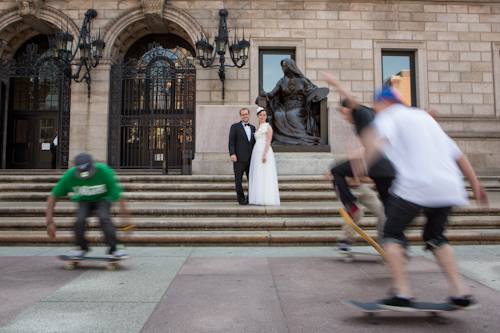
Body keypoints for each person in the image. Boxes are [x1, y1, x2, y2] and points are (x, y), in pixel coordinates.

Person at [355, 86, 488, 310]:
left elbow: (374, 139)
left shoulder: (390, 114)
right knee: (435, 236)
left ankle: (403, 293)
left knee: (392, 233)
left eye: (376, 106)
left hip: (417, 185)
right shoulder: (424, 118)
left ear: (384, 103)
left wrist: (363, 164)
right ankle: (460, 292)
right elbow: (458, 154)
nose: (376, 111)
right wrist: (476, 184)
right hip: (449, 186)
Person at [322, 72, 395, 250]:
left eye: (343, 113)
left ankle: (351, 205)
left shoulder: (360, 112)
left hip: (374, 163)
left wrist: (335, 83)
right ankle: (392, 241)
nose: (344, 117)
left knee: (336, 170)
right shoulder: (375, 115)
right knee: (388, 206)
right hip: (388, 167)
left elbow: (351, 99)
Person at [46, 152, 129, 258]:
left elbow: (120, 198)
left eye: (89, 174)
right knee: (79, 220)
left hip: (104, 198)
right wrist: (49, 222)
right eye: (83, 175)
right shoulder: (70, 176)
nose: (86, 178)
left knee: (103, 216)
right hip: (84, 199)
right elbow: (52, 197)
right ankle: (80, 247)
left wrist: (126, 221)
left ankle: (116, 247)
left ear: (93, 166)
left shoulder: (105, 172)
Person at [259, 58, 326, 146]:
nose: (283, 69)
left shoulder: (302, 81)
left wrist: (316, 96)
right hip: (285, 106)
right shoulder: (281, 81)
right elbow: (272, 94)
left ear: (290, 67)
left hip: (300, 107)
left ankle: (303, 138)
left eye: (284, 66)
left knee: (291, 114)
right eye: (282, 67)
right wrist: (264, 94)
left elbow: (313, 91)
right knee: (278, 114)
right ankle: (284, 140)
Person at [336, 177, 385, 250]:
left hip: (361, 188)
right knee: (355, 213)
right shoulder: (342, 166)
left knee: (382, 212)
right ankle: (344, 240)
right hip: (346, 190)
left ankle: (384, 240)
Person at [248, 107, 280, 206]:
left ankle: (266, 198)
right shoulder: (257, 127)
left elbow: (268, 141)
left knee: (265, 173)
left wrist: (264, 154)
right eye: (260, 115)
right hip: (256, 151)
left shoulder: (268, 127)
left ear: (266, 116)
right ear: (258, 116)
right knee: (258, 173)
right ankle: (257, 197)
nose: (262, 117)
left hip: (264, 151)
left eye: (264, 115)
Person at [228, 108, 256, 205]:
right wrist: (232, 154)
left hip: (251, 159)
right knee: (238, 180)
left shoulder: (253, 128)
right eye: (243, 114)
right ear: (240, 116)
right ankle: (241, 199)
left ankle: (250, 198)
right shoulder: (235, 127)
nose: (245, 116)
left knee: (251, 180)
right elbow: (231, 141)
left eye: (246, 114)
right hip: (239, 158)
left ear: (249, 115)